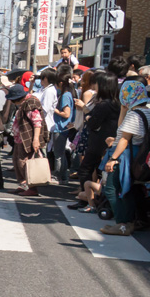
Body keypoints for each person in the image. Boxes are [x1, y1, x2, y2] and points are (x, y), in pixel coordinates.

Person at [99, 82, 150, 236]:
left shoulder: (135, 115)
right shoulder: (145, 111)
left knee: (114, 189)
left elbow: (124, 139)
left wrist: (112, 159)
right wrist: (123, 108)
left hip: (127, 155)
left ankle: (123, 224)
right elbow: (121, 129)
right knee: (126, 189)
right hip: (138, 156)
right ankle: (126, 222)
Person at [71, 71, 120, 212]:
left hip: (98, 142)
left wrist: (87, 115)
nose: (95, 86)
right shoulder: (117, 103)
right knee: (100, 172)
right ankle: (95, 200)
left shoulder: (103, 105)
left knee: (85, 169)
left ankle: (87, 200)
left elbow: (93, 123)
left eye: (97, 83)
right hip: (109, 142)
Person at [8, 85, 47, 197]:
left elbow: (37, 122)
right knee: (17, 161)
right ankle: (24, 185)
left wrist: (35, 140)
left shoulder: (30, 103)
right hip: (20, 138)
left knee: (25, 163)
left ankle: (32, 188)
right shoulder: (26, 102)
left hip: (27, 138)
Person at [48, 69, 75, 185]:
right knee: (61, 153)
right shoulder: (69, 94)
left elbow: (66, 113)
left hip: (61, 127)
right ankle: (63, 176)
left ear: (61, 83)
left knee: (58, 154)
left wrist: (54, 109)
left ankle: (59, 175)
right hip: (64, 127)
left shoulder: (65, 96)